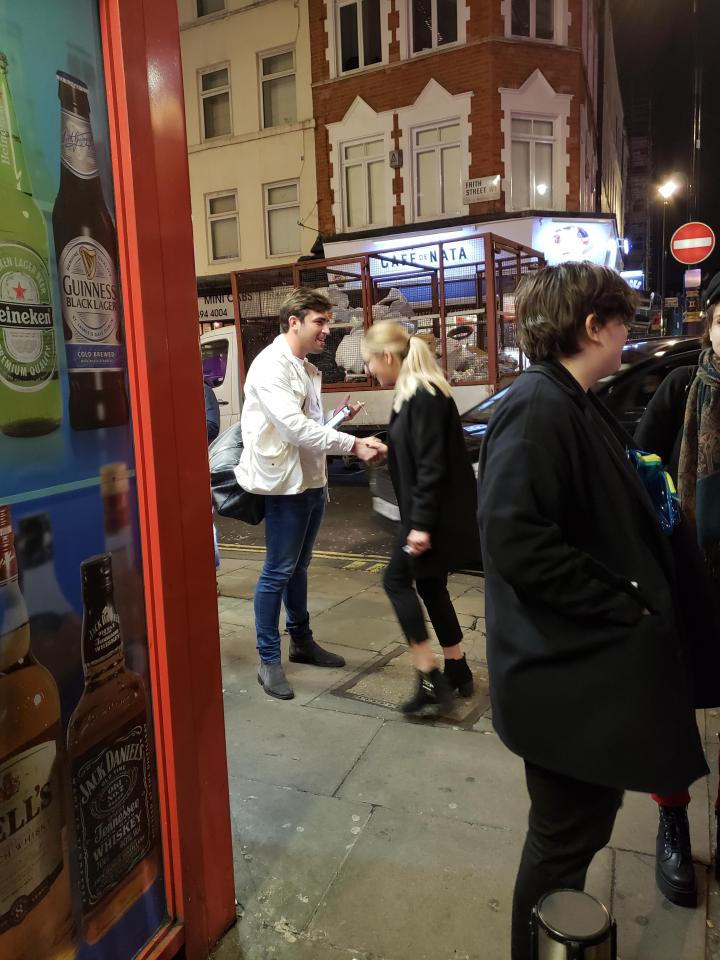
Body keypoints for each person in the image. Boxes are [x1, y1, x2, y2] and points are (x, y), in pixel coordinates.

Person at [477, 262, 707, 960]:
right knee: (562, 840)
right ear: (592, 326)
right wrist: (626, 602)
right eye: (623, 321)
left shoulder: (570, 398)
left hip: (580, 681)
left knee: (579, 827)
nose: (628, 332)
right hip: (564, 685)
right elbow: (514, 537)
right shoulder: (539, 406)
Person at [236, 288, 386, 700]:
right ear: (294, 322)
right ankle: (269, 659)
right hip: (285, 485)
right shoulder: (271, 367)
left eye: (327, 322)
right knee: (277, 572)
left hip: (311, 480)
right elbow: (292, 428)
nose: (327, 331)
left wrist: (339, 424)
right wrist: (353, 444)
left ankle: (301, 642)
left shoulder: (304, 366)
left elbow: (307, 425)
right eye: (320, 322)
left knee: (298, 568)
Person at [635, 271, 720, 905]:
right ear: (710, 325)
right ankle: (673, 821)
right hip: (688, 577)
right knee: (669, 707)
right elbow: (638, 472)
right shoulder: (683, 387)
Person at [361, 321, 479, 714]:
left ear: (388, 356)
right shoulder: (418, 393)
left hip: (433, 517)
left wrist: (421, 527)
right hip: (434, 514)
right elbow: (420, 447)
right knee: (430, 586)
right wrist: (388, 448)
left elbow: (431, 466)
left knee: (395, 580)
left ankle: (429, 676)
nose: (370, 370)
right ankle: (458, 667)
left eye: (370, 362)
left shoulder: (423, 395)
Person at [204, 379, 221, 570]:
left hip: (198, 464)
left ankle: (210, 571)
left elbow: (212, 426)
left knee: (204, 520)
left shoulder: (203, 390)